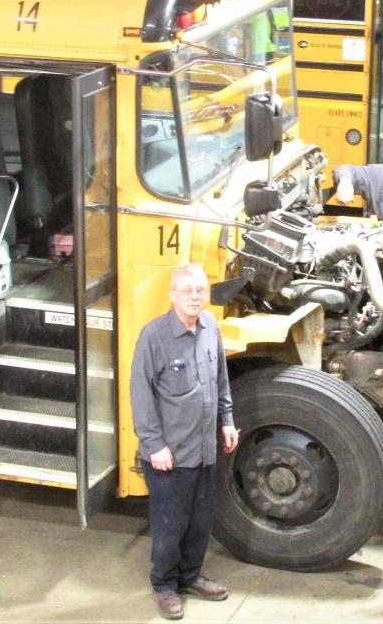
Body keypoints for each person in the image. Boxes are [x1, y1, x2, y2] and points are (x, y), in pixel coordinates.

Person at [130, 263, 240, 621]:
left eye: (201, 290)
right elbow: (141, 394)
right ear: (173, 296)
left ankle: (190, 577)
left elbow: (221, 380)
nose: (196, 297)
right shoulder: (154, 336)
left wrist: (227, 421)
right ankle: (164, 586)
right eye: (188, 291)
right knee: (169, 524)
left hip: (205, 449)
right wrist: (153, 444)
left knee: (200, 521)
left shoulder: (211, 328)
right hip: (170, 454)